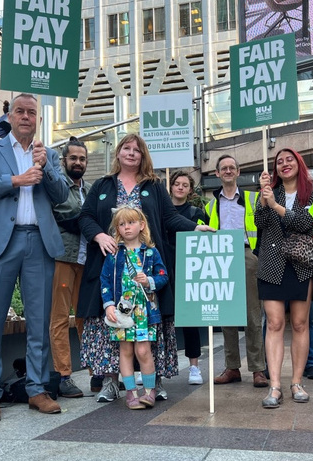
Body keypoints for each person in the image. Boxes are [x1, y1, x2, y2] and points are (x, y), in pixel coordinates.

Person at [77, 134, 212, 404]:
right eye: (126, 148)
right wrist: (99, 236)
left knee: (151, 325)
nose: (131, 153)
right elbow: (85, 216)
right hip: (113, 267)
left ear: (143, 156)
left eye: (136, 150)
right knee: (112, 324)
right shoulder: (103, 185)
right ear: (118, 153)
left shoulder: (154, 185)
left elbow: (169, 217)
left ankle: (155, 382)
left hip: (146, 268)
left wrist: (194, 227)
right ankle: (112, 382)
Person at [0, 93, 68, 421]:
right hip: (2, 242)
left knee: (40, 320)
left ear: (38, 119)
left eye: (32, 113)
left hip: (39, 243)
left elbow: (63, 196)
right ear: (10, 117)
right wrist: (16, 180)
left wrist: (45, 168)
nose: (26, 117)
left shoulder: (49, 154)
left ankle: (38, 389)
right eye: (20, 112)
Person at [255, 148, 313, 408]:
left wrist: (275, 205)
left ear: (299, 163)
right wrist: (265, 201)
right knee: (273, 324)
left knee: (299, 324)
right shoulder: (269, 191)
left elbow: (307, 222)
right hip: (271, 264)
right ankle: (275, 385)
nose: (284, 164)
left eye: (289, 160)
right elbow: (260, 222)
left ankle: (296, 382)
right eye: (279, 161)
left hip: (301, 265)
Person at [205, 154, 267, 388]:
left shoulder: (254, 198)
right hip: (220, 258)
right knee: (225, 314)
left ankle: (258, 369)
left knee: (253, 313)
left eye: (232, 167)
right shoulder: (210, 205)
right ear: (218, 174)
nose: (228, 171)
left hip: (247, 255)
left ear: (238, 172)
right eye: (224, 168)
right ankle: (232, 367)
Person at [101, 207, 168, 408]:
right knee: (126, 351)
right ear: (117, 229)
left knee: (144, 350)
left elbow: (163, 276)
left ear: (141, 225)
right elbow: (104, 280)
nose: (126, 227)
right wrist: (108, 305)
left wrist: (149, 281)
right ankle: (131, 393)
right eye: (122, 224)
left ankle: (149, 392)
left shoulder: (151, 252)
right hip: (122, 312)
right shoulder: (114, 254)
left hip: (145, 311)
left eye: (131, 223)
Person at [50, 136, 92, 398]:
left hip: (86, 261)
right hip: (63, 257)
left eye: (82, 158)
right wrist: (85, 219)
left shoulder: (89, 190)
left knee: (87, 318)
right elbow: (60, 215)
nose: (78, 162)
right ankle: (64, 376)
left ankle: (95, 372)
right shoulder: (57, 187)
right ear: (64, 160)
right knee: (60, 318)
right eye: (73, 158)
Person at [167, 171, 206, 385]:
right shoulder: (161, 211)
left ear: (190, 190)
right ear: (171, 187)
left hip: (189, 271)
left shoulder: (196, 212)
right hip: (164, 269)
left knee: (190, 319)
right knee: (162, 320)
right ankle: (153, 366)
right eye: (177, 184)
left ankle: (194, 367)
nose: (180, 187)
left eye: (185, 185)